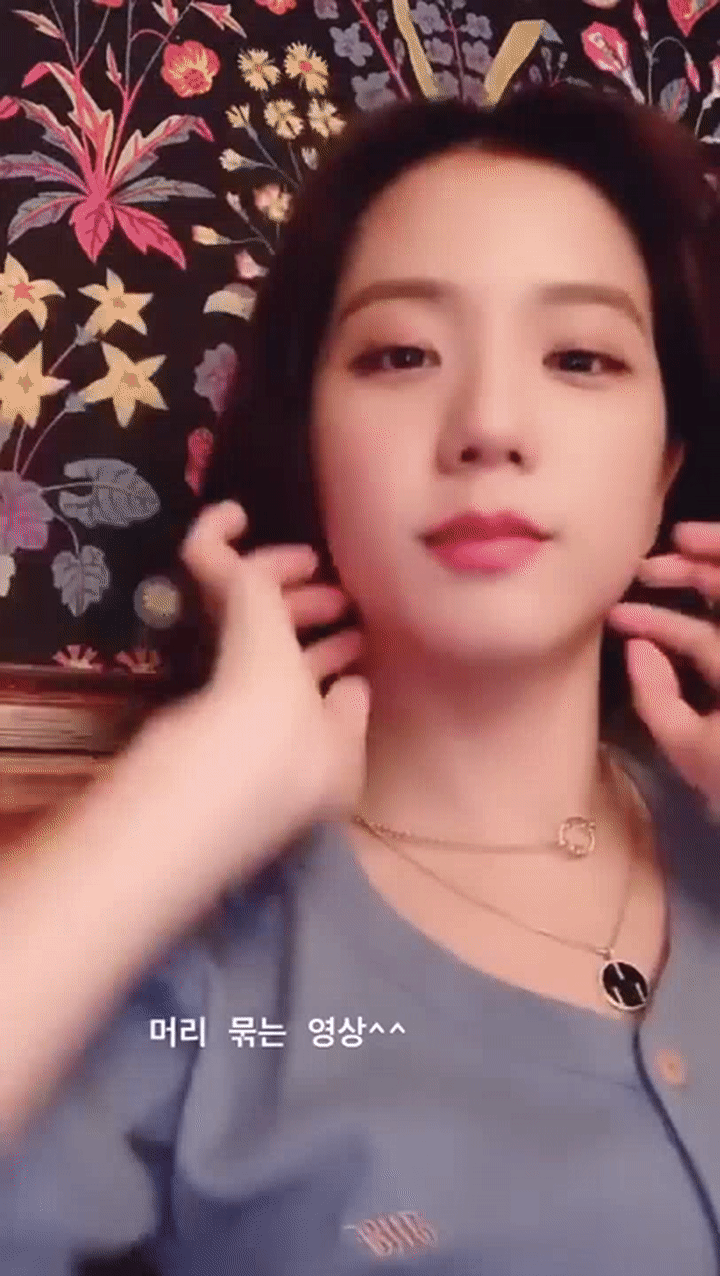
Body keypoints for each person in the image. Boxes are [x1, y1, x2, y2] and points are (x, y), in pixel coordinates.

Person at [1, 81, 720, 1275]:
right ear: (313, 446)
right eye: (401, 353)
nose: (489, 424)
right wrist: (179, 799)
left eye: (579, 356)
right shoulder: (192, 953)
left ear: (665, 471)